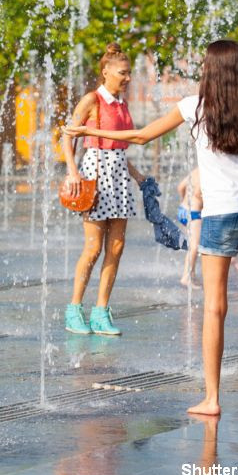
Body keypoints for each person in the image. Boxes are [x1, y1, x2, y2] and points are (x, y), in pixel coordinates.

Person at [65, 40, 238, 416]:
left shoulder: (194, 106)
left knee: (214, 308)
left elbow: (140, 136)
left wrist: (84, 131)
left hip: (220, 216)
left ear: (210, 70)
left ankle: (212, 399)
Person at [60, 43, 145, 337]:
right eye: (123, 73)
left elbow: (118, 146)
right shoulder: (92, 100)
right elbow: (67, 136)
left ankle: (101, 311)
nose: (128, 78)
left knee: (117, 246)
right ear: (106, 71)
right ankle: (74, 309)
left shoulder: (122, 103)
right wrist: (72, 172)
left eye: (129, 73)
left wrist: (138, 176)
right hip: (96, 174)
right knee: (93, 247)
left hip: (119, 175)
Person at [177, 168, 202, 288]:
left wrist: (184, 200)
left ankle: (191, 274)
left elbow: (180, 187)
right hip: (194, 214)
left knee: (193, 244)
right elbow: (198, 193)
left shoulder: (196, 170)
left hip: (183, 210)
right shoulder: (208, 172)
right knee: (194, 246)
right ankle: (186, 277)